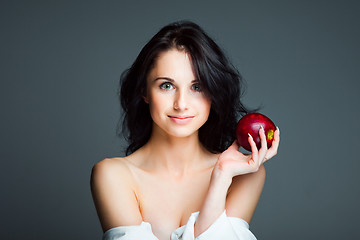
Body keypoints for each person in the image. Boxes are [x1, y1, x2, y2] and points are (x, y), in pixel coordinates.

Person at [90, 21, 280, 240]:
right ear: (144, 91)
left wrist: (221, 178)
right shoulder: (113, 175)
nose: (181, 104)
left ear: (213, 92)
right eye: (166, 85)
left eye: (197, 87)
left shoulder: (243, 175)